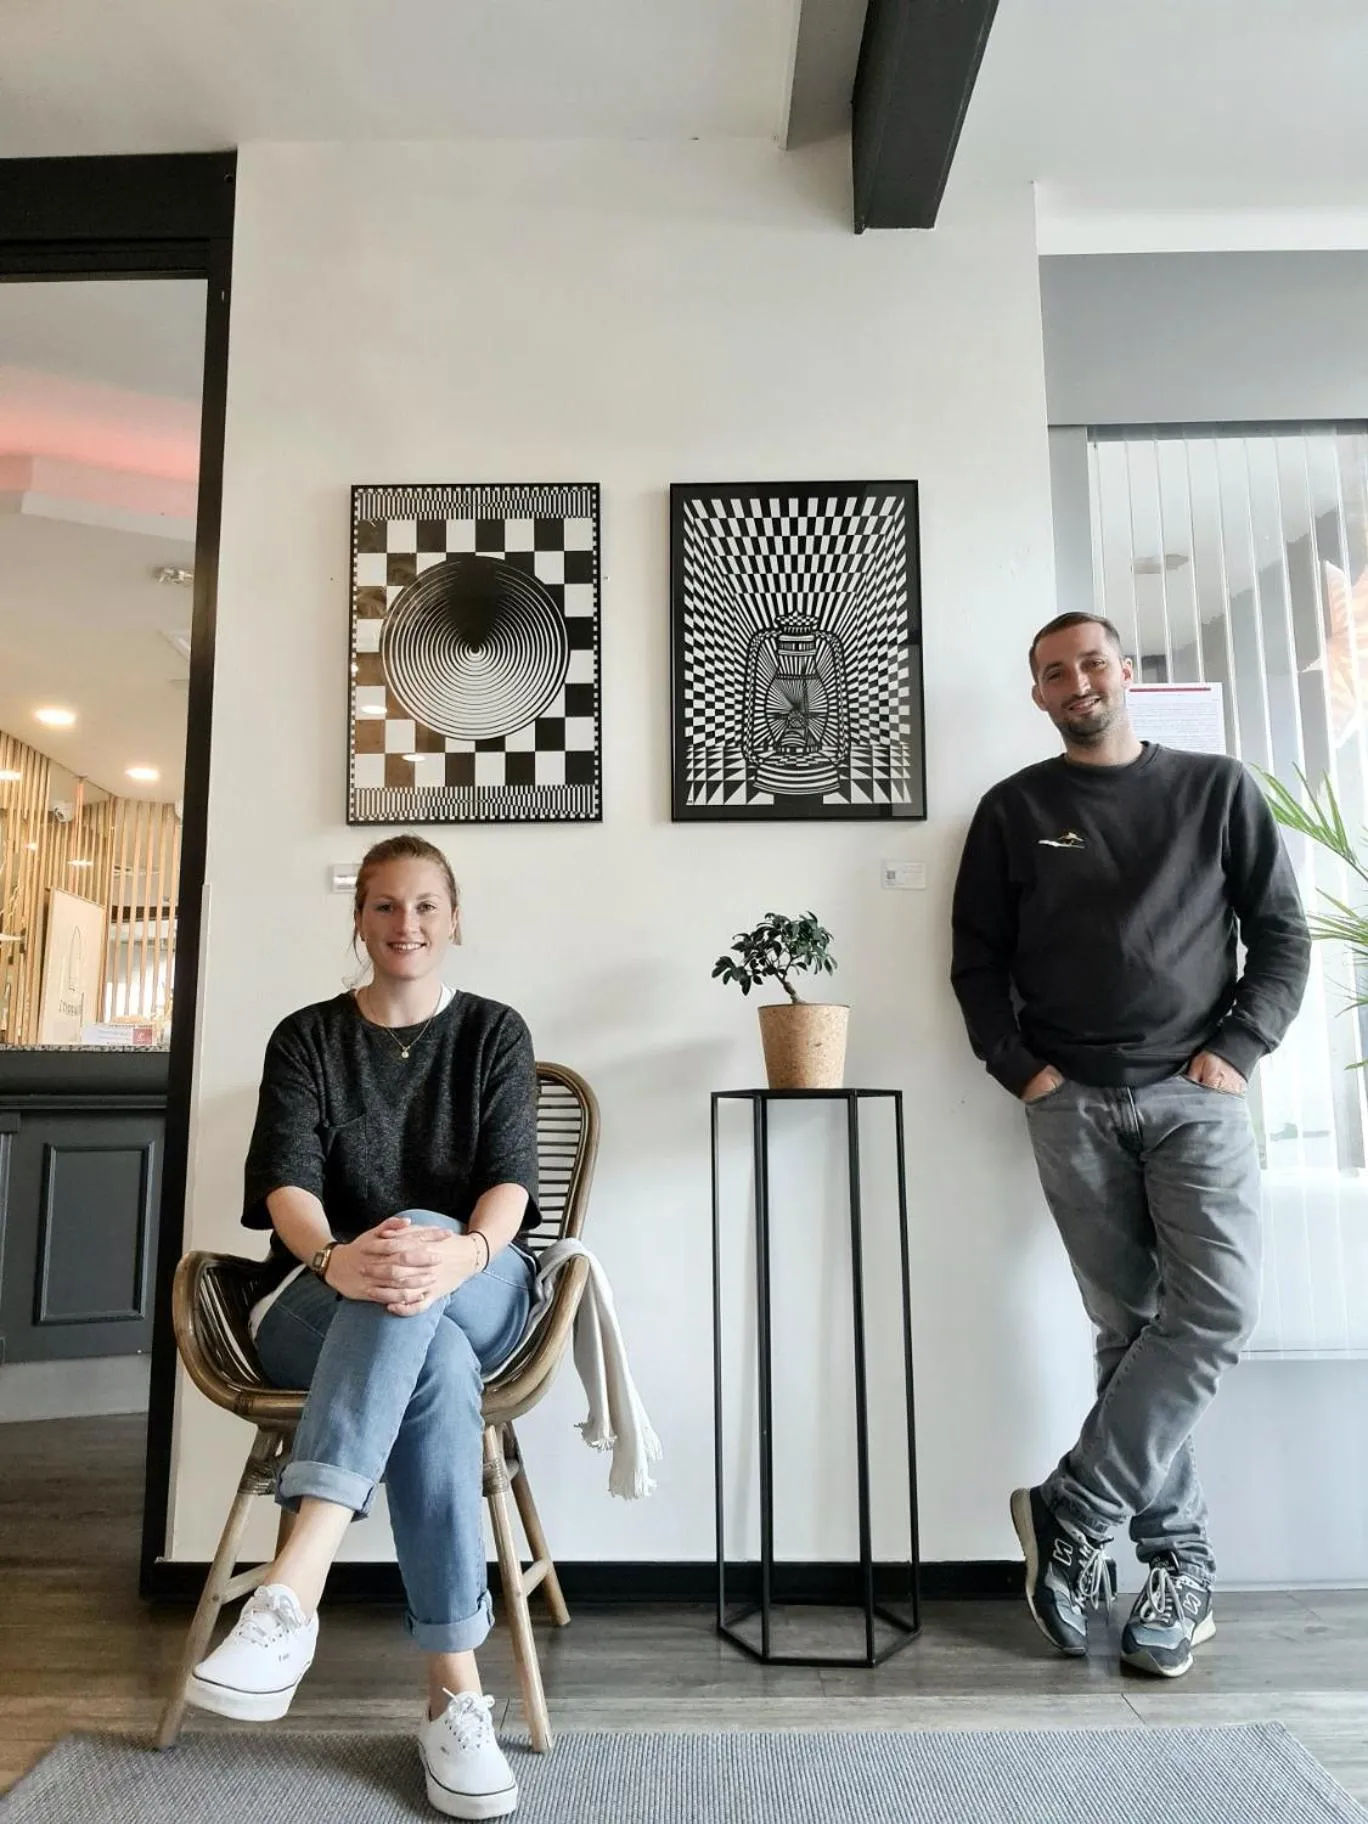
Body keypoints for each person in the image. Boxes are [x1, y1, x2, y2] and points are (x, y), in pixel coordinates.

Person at [950, 611, 1310, 1679]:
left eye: (1093, 662)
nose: (1078, 682)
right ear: (1038, 695)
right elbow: (978, 963)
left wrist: (1236, 1052)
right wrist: (1027, 1072)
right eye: (1055, 672)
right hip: (1074, 1106)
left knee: (1213, 1315)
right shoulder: (1016, 810)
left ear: (1127, 672)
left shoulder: (1216, 789)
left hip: (1198, 1096)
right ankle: (1177, 1573)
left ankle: (1072, 1506)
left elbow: (1284, 935)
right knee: (1129, 1332)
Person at [185, 833, 538, 1819]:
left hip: (477, 1278)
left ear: (454, 916)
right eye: (385, 906)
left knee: (424, 1252)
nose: (406, 926)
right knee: (434, 1364)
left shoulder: (495, 1032)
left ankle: (291, 1587)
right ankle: (454, 1698)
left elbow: (510, 1180)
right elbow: (287, 1185)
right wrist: (340, 1259)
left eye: (426, 906)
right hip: (325, 1295)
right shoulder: (305, 1037)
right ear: (359, 919)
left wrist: (458, 1251)